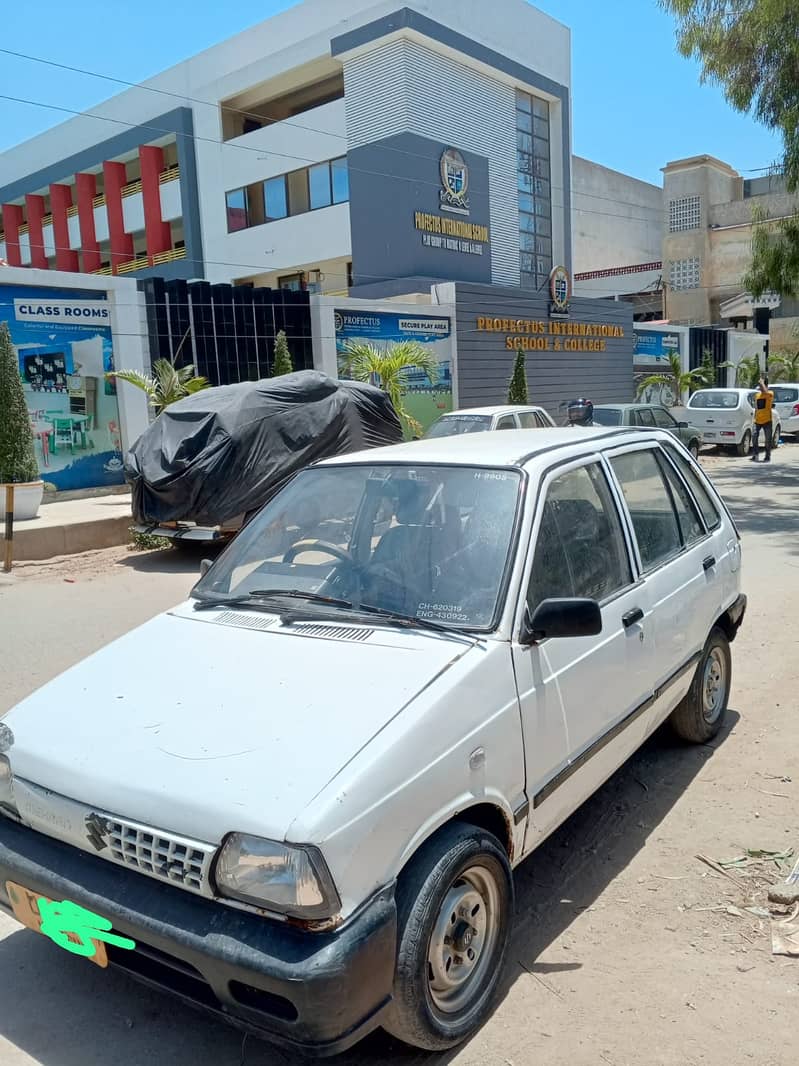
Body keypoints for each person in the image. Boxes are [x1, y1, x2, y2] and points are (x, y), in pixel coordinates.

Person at [751, 376, 774, 462]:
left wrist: (762, 383)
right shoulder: (757, 395)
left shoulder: (770, 393)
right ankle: (755, 454)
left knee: (768, 440)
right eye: (759, 385)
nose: (760, 387)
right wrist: (754, 417)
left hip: (767, 421)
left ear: (766, 385)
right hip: (757, 421)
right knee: (754, 436)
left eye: (761, 385)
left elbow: (765, 391)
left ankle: (767, 456)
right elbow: (757, 408)